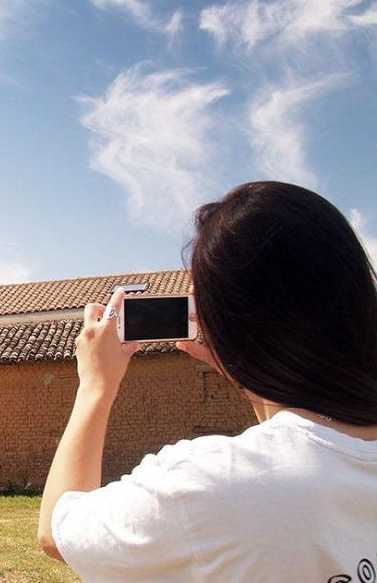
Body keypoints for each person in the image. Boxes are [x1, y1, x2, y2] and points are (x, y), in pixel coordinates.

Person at [37, 181, 377, 581]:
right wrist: (244, 365)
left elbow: (59, 531)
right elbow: (304, 442)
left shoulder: (212, 485)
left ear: (228, 324)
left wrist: (96, 386)